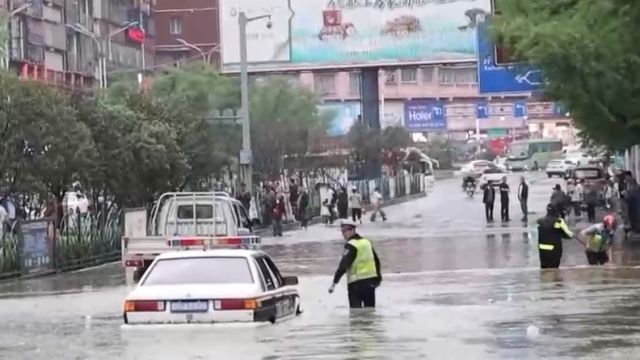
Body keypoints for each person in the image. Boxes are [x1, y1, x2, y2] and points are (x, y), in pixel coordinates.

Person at [328, 220, 382, 308]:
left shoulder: (352, 245)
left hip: (356, 283)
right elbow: (376, 260)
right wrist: (378, 278)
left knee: (355, 313)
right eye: (342, 231)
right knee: (370, 311)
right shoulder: (366, 242)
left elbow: (343, 265)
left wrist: (335, 282)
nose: (343, 234)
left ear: (352, 230)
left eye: (345, 231)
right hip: (370, 283)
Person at [537, 203, 574, 269]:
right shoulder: (559, 221)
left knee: (544, 269)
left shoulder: (539, 221)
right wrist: (572, 234)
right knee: (554, 270)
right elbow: (568, 234)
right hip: (554, 249)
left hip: (542, 249)